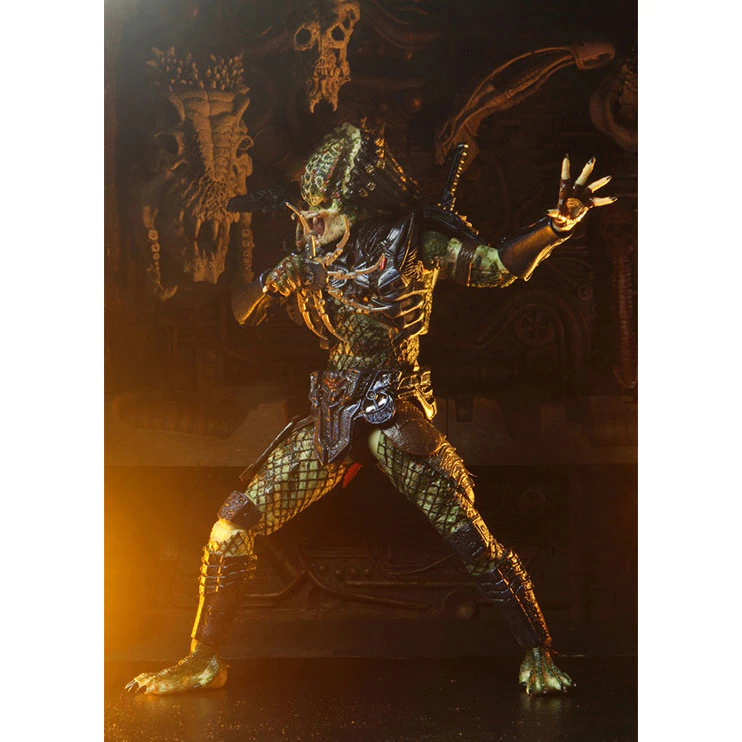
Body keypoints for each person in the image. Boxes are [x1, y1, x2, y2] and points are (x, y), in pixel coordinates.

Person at [126, 122, 615, 696]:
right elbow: (241, 311)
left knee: (464, 531)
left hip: (391, 404)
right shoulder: (311, 252)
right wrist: (269, 280)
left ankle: (538, 652)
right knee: (231, 524)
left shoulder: (412, 239)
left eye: (325, 212)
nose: (313, 224)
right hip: (334, 409)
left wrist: (554, 227)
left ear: (356, 204)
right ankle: (203, 659)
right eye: (308, 212)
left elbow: (492, 265)